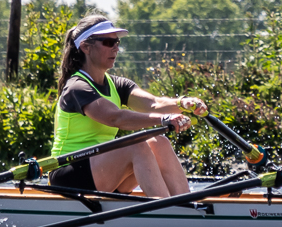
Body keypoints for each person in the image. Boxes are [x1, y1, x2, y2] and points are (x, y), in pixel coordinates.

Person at [50, 15, 201, 198]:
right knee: (136, 146)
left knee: (159, 142)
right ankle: (166, 211)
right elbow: (115, 117)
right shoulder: (76, 87)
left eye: (117, 41)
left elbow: (154, 104)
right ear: (85, 47)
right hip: (68, 174)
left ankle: (186, 206)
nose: (116, 47)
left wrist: (183, 104)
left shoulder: (117, 84)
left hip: (103, 170)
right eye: (108, 42)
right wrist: (164, 119)